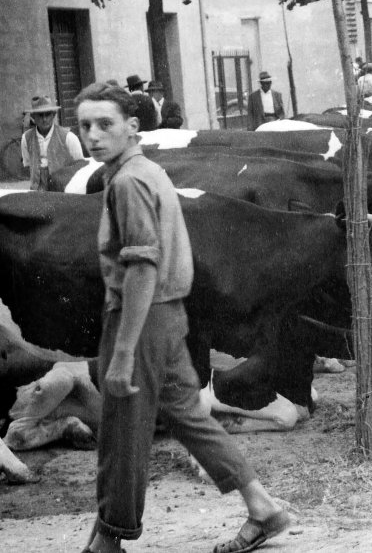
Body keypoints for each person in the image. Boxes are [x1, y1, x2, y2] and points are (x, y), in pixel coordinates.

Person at [74, 82, 290, 553]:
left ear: (133, 127)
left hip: (141, 318)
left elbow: (142, 266)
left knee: (123, 431)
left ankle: (109, 540)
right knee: (190, 419)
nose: (93, 135)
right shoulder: (145, 170)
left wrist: (124, 352)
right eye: (85, 125)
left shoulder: (129, 182)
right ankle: (263, 507)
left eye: (105, 124)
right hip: (168, 316)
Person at [20, 94, 84, 191]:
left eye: (48, 114)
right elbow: (28, 163)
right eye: (40, 115)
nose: (44, 119)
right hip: (37, 188)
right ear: (33, 117)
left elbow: (80, 164)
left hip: (63, 188)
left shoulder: (68, 137)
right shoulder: (26, 138)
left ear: (53, 115)